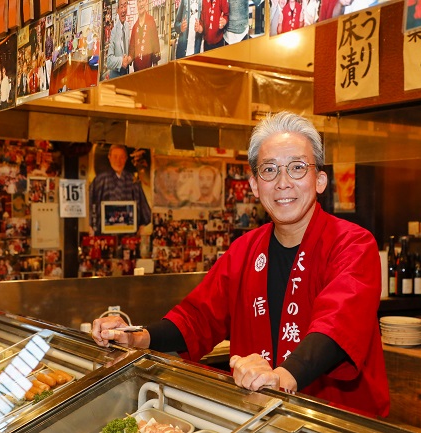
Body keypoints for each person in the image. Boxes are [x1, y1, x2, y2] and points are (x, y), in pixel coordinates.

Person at [92, 112, 390, 418]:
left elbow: (338, 326)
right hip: (260, 418)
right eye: (269, 170)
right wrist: (138, 336)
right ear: (255, 185)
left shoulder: (353, 244)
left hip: (334, 420)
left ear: (320, 181)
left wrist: (281, 377)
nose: (283, 182)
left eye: (297, 167)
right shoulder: (244, 251)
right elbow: (197, 318)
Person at [89, 144, 152, 235]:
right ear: (109, 157)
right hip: (104, 233)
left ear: (126, 159)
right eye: (115, 157)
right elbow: (91, 203)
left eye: (122, 157)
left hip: (129, 233)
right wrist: (91, 226)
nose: (118, 161)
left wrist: (141, 227)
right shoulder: (100, 179)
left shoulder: (132, 179)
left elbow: (143, 207)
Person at [129, 0, 162, 71]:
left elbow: (155, 45)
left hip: (148, 70)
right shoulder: (135, 27)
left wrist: (155, 66)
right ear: (137, 4)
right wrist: (126, 59)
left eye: (142, 1)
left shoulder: (151, 21)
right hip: (137, 71)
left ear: (146, 2)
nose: (141, 4)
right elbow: (132, 49)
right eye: (139, 2)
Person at [106, 0, 132, 79]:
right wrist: (121, 61)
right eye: (121, 7)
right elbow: (109, 61)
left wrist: (130, 58)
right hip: (116, 78)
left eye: (125, 6)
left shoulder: (127, 26)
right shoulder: (114, 31)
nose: (123, 10)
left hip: (126, 75)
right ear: (117, 10)